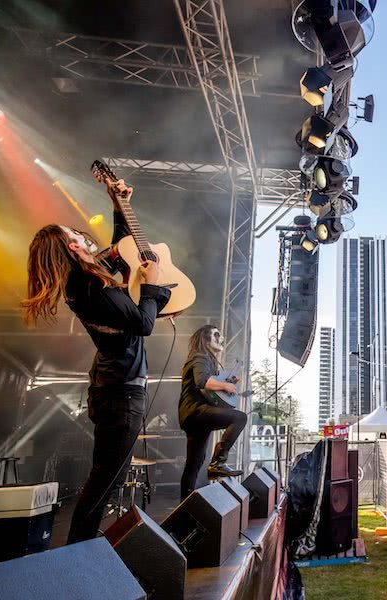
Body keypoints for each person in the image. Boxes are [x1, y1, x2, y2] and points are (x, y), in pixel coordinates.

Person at [22, 180, 172, 543]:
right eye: (75, 233)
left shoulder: (90, 277)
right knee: (105, 480)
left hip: (118, 389)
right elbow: (142, 323)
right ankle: (77, 553)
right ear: (74, 246)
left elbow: (124, 251)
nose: (83, 233)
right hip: (119, 394)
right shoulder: (87, 286)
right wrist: (151, 286)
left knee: (110, 478)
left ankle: (82, 551)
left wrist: (119, 205)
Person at [178, 325, 249, 499]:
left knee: (194, 463)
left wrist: (227, 383)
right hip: (196, 412)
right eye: (216, 334)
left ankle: (184, 507)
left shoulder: (205, 360)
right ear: (205, 339)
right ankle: (218, 463)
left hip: (192, 414)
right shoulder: (200, 357)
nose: (221, 338)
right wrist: (226, 385)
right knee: (239, 418)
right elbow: (203, 381)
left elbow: (209, 388)